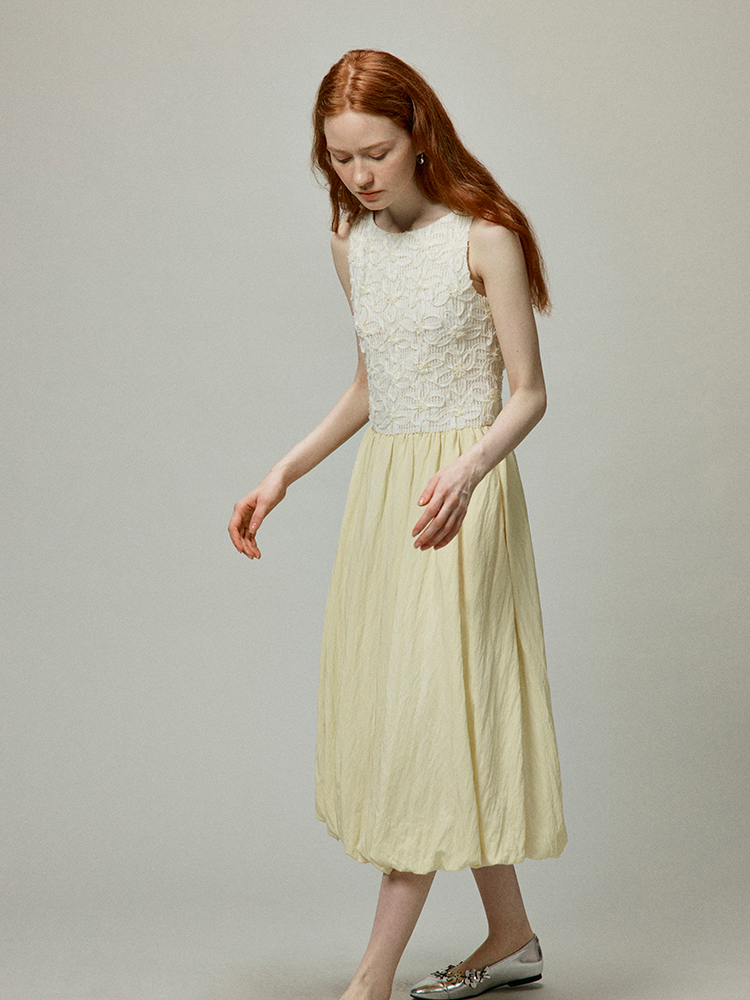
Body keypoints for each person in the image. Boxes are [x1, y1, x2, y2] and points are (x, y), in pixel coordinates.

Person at [229, 49, 567, 1000]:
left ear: (419, 131)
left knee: (428, 721)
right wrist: (283, 472)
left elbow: (529, 394)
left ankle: (368, 980)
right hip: (387, 498)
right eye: (339, 159)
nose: (360, 176)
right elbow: (374, 384)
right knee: (424, 710)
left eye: (374, 152)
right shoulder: (353, 243)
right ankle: (512, 935)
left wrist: (468, 470)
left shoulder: (487, 236)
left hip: (461, 498)